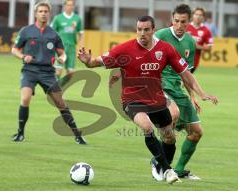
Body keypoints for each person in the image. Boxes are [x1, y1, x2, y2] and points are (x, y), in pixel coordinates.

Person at [77, 16, 218, 184]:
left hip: (156, 99)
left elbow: (185, 74)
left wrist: (201, 94)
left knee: (169, 138)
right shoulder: (125, 49)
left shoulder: (165, 49)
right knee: (147, 127)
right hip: (132, 99)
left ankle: (160, 165)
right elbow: (95, 62)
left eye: (146, 30)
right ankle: (168, 171)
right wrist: (88, 62)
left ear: (153, 30)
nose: (142, 33)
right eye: (139, 30)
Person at [11, 1, 86, 144]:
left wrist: (62, 59)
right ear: (35, 13)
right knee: (25, 98)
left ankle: (77, 135)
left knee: (60, 103)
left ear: (49, 14)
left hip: (47, 72)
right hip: (30, 70)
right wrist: (22, 57)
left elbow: (62, 53)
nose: (43, 14)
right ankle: (20, 133)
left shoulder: (54, 34)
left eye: (46, 11)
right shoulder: (26, 31)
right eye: (40, 11)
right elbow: (14, 50)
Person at [152, 4, 205, 180]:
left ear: (189, 22)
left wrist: (193, 95)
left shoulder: (190, 41)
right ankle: (159, 164)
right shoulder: (160, 36)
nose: (179, 25)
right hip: (160, 87)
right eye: (176, 21)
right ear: (171, 20)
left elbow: (186, 74)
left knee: (196, 132)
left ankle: (179, 169)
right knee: (172, 117)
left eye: (183, 22)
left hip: (178, 89)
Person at [51, 0, 84, 80]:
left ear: (74, 6)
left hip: (71, 48)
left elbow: (81, 33)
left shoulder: (77, 18)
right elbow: (51, 31)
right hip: (60, 48)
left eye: (72, 5)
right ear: (64, 6)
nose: (70, 7)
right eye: (68, 5)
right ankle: (55, 88)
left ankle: (62, 87)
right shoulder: (58, 18)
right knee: (58, 71)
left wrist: (81, 45)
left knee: (70, 73)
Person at [187, 7, 213, 73]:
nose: (198, 17)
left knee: (184, 81)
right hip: (180, 58)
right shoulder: (185, 26)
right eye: (196, 14)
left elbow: (209, 48)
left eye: (200, 15)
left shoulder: (207, 31)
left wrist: (196, 46)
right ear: (192, 15)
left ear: (203, 17)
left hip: (193, 61)